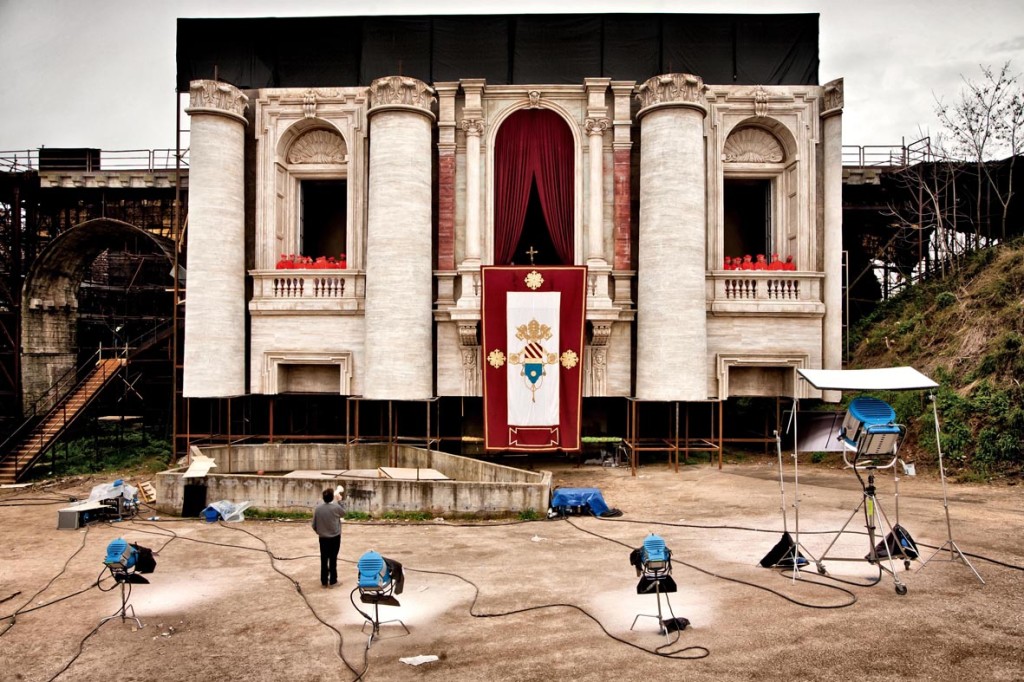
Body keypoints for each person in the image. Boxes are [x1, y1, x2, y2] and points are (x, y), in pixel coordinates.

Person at [312, 486, 346, 587]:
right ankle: (333, 581)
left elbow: (314, 525)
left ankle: (324, 581)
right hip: (335, 537)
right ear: (332, 497)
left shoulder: (318, 509)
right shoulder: (336, 507)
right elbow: (344, 513)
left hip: (323, 538)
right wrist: (340, 501)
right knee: (333, 559)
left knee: (324, 559)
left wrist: (320, 532)